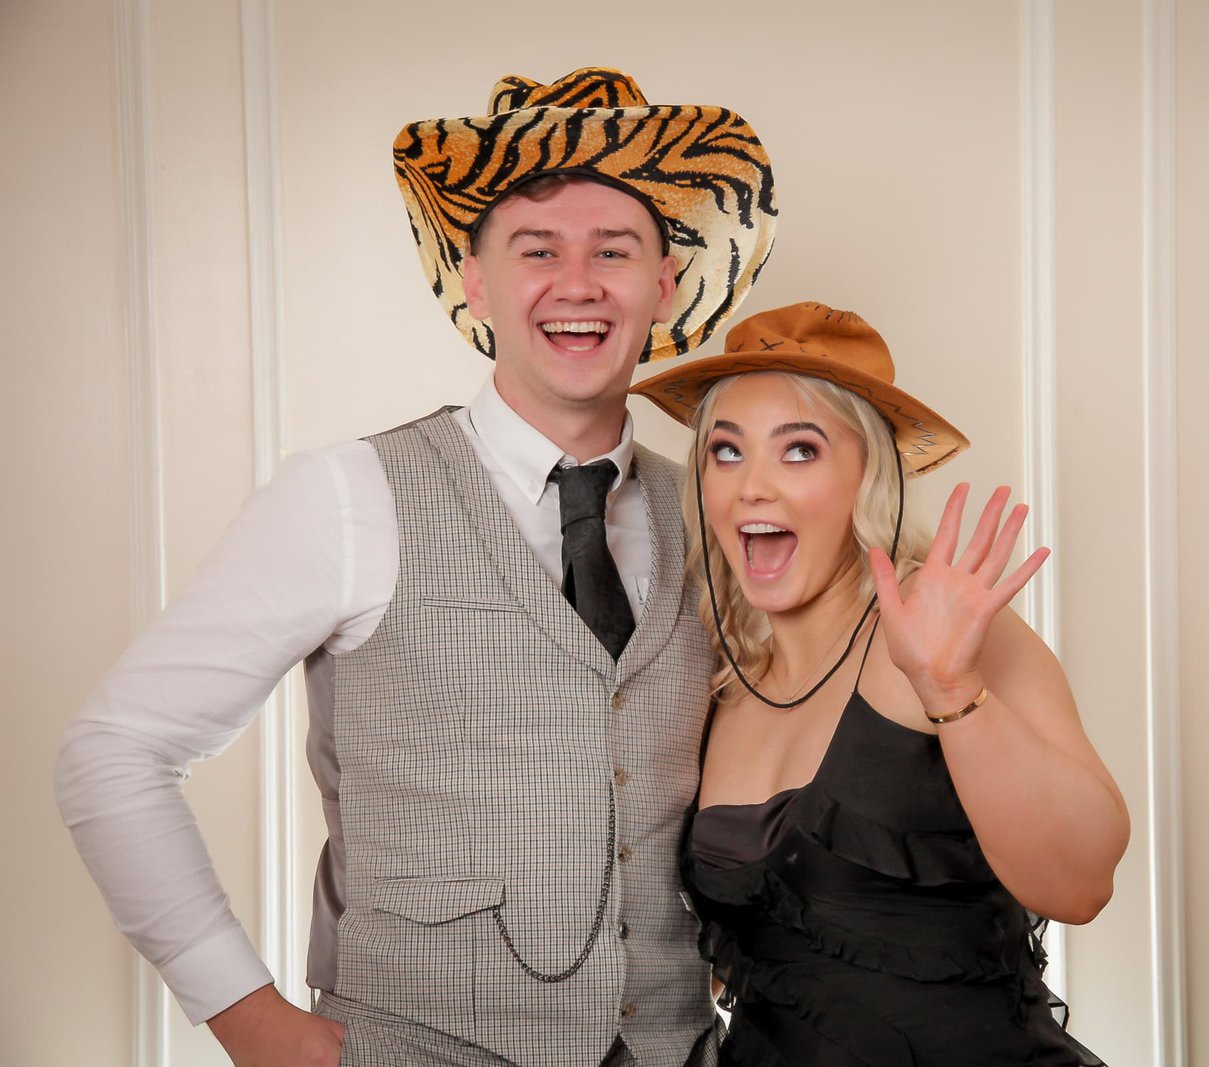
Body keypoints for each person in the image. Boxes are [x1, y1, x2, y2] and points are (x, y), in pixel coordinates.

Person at [55, 67, 777, 1067]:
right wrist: (250, 1020)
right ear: (474, 278)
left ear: (662, 283)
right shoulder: (346, 495)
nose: (577, 284)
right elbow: (113, 751)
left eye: (614, 251)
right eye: (537, 250)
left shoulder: (714, 512)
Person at [630, 302, 1129, 1065]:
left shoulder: (950, 633)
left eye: (799, 451)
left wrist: (948, 688)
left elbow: (1082, 883)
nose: (752, 486)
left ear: (870, 476)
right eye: (725, 453)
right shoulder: (717, 678)